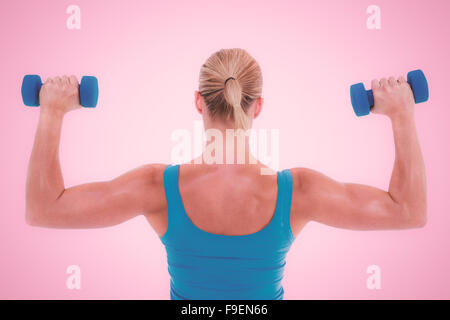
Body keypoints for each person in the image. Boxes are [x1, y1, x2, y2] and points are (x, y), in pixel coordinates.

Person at [25, 48, 427, 300]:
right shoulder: (299, 191)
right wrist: (402, 115)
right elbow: (407, 211)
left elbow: (45, 209)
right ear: (258, 107)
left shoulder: (156, 188)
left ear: (198, 103)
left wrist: (53, 111)